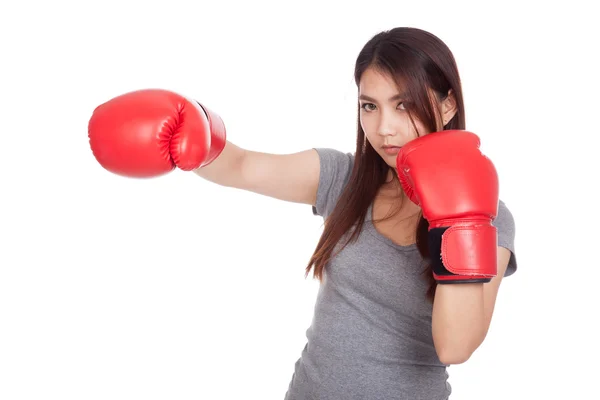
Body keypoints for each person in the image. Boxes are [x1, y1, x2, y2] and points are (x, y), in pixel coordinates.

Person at [88, 26, 517, 400]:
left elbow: (455, 347)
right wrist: (193, 128)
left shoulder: (491, 218)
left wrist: (458, 221)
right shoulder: (344, 177)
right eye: (370, 106)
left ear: (446, 106)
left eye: (403, 105)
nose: (384, 127)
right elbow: (243, 166)